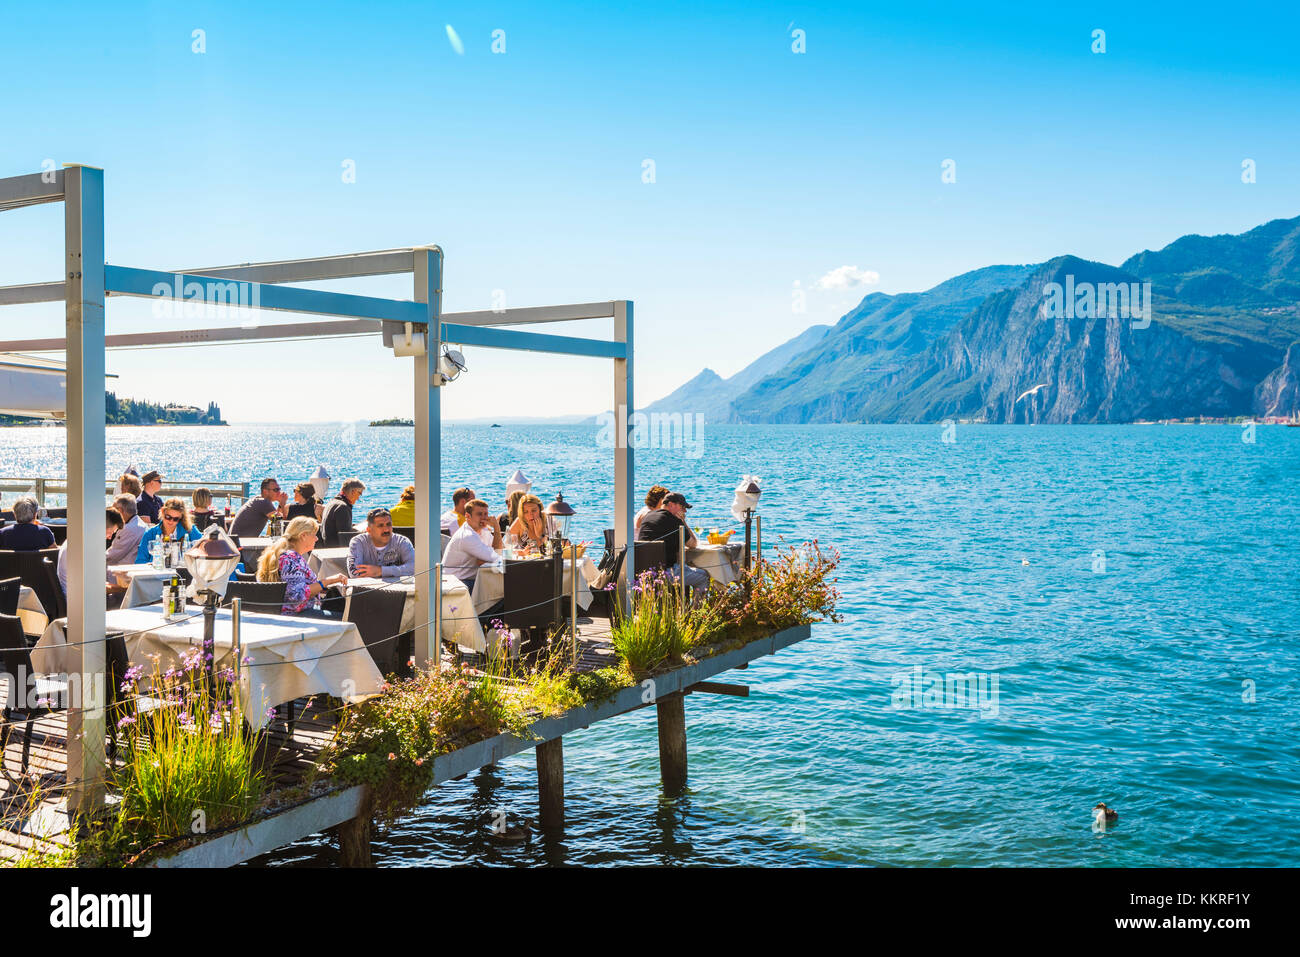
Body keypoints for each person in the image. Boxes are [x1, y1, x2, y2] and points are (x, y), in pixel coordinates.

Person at [256, 516, 348, 616]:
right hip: (294, 615)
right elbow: (297, 597)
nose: (316, 539)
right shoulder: (290, 559)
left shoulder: (285, 555)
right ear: (303, 536)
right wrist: (328, 581)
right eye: (314, 535)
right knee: (346, 617)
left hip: (284, 612)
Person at [636, 491, 710, 601]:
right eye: (682, 507)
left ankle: (683, 606)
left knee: (697, 572)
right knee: (704, 578)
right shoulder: (673, 521)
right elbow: (693, 544)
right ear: (671, 504)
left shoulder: (649, 516)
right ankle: (695, 610)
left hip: (644, 571)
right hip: (665, 572)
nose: (685, 511)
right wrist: (683, 521)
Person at [58, 508, 124, 599]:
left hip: (72, 596)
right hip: (80, 601)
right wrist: (126, 588)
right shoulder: (86, 546)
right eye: (111, 532)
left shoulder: (79, 538)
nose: (110, 537)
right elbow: (96, 587)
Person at [441, 498, 502, 592]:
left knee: (501, 581)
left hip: (470, 578)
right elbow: (496, 557)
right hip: (457, 582)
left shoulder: (483, 531)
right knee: (500, 585)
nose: (484, 518)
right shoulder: (467, 536)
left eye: (485, 514)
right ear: (467, 516)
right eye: (479, 514)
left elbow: (500, 551)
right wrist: (497, 528)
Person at [347, 508, 416, 579]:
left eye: (388, 524)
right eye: (380, 525)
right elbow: (354, 573)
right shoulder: (358, 542)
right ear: (369, 530)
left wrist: (381, 571)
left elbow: (415, 567)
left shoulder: (402, 541)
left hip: (398, 585)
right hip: (367, 586)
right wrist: (397, 571)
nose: (386, 529)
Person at [134, 497, 202, 563]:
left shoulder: (190, 530)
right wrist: (149, 566)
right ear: (163, 512)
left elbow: (203, 548)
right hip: (157, 569)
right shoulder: (150, 533)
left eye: (175, 519)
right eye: (168, 517)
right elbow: (140, 561)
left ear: (181, 517)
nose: (171, 521)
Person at [105, 494, 148, 569]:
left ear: (120, 511)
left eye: (114, 509)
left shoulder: (129, 528)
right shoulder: (139, 523)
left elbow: (113, 555)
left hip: (124, 570)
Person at [319, 478, 365, 546]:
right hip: (337, 549)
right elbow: (345, 536)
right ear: (353, 491)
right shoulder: (342, 507)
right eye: (359, 493)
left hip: (328, 546)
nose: (358, 498)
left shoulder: (332, 503)